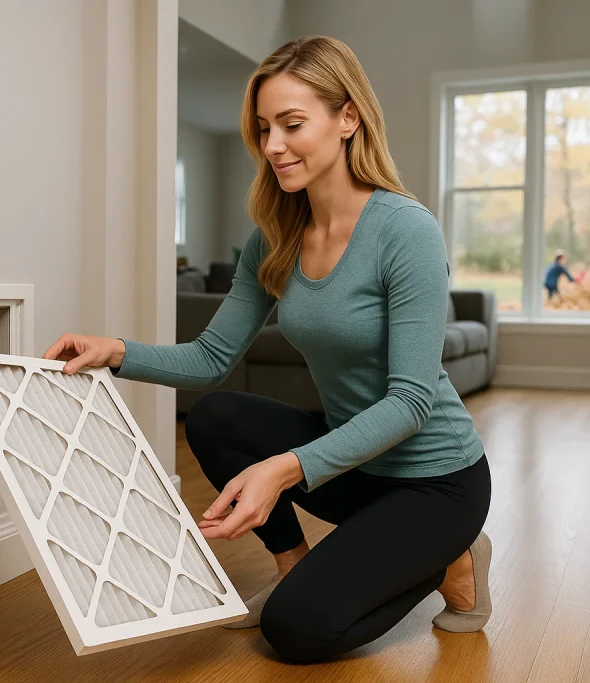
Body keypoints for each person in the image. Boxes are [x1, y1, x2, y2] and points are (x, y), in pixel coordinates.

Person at [42, 35, 492, 664]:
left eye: (292, 124)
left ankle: (454, 552)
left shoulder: (406, 230)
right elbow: (209, 359)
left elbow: (414, 400)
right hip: (356, 470)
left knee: (296, 631)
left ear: (348, 119)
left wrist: (284, 468)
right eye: (263, 128)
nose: (273, 145)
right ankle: (293, 566)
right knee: (218, 416)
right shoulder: (275, 235)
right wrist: (115, 350)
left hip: (435, 480)